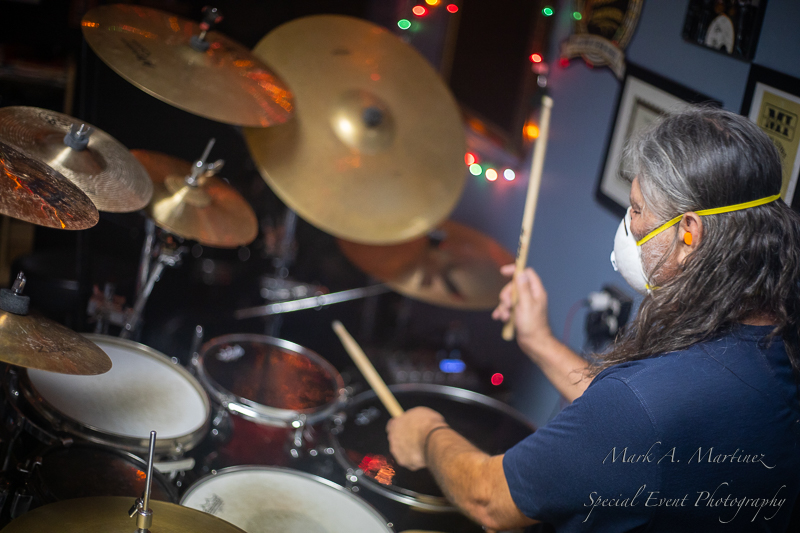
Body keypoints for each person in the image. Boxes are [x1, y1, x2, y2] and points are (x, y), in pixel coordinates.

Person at [386, 106, 800, 532]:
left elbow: (489, 498)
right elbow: (644, 426)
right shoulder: (773, 343)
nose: (629, 226)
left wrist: (427, 433)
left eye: (637, 209)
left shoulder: (644, 403)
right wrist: (538, 338)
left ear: (689, 235)